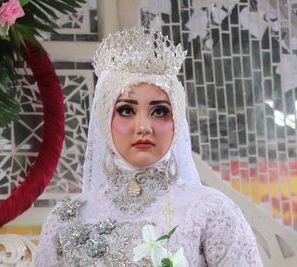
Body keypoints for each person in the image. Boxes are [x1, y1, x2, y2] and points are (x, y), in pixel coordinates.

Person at [35, 27, 263, 267]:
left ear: (177, 122)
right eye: (126, 110)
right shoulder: (68, 217)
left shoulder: (210, 209)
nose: (143, 127)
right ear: (104, 120)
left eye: (159, 111)